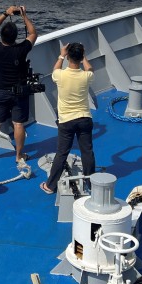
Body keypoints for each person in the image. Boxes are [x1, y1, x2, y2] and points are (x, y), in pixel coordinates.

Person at [40, 42, 95, 194]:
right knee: (87, 151)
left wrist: (61, 54)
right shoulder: (86, 76)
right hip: (84, 119)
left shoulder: (60, 75)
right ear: (81, 57)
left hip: (66, 121)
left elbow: (55, 68)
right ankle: (91, 183)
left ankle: (50, 186)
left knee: (62, 153)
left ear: (68, 57)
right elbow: (90, 68)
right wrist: (84, 58)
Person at [0, 5, 38, 162]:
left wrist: (5, 13)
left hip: (1, 91)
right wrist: (24, 16)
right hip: (18, 91)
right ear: (15, 36)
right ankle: (19, 155)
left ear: (2, 36)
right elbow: (33, 33)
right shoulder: (21, 49)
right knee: (18, 124)